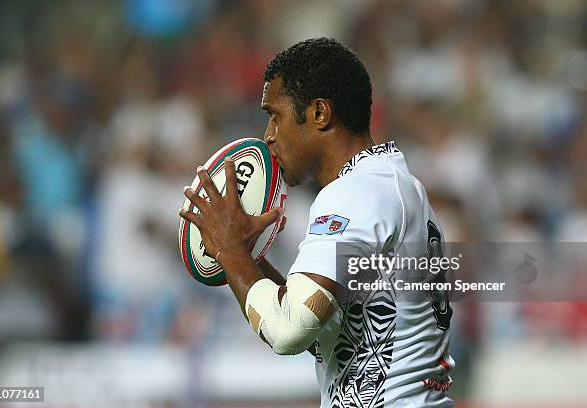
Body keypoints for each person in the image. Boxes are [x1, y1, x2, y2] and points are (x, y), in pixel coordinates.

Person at [180, 37, 454, 408]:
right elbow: (321, 332)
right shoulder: (389, 185)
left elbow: (289, 329)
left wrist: (229, 249)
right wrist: (247, 257)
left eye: (275, 116)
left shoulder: (357, 193)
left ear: (319, 114)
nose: (269, 136)